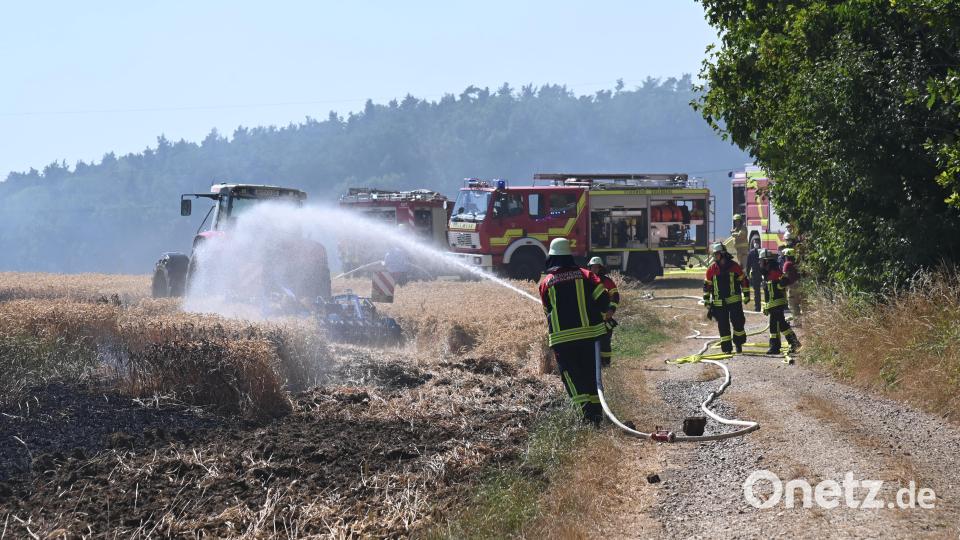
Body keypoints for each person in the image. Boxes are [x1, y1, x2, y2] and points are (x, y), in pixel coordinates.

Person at [539, 239, 610, 424]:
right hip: (590, 336)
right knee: (591, 376)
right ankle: (597, 417)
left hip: (562, 340)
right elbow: (604, 302)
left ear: (552, 258)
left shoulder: (546, 282)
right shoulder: (587, 275)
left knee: (572, 377)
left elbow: (547, 311)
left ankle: (585, 417)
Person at [703, 242, 750, 353]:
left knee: (738, 323)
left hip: (734, 301)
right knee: (723, 326)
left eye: (717, 254)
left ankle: (738, 344)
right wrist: (707, 300)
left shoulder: (734, 266)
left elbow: (743, 280)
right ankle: (727, 348)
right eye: (714, 255)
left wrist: (746, 294)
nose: (715, 257)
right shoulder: (712, 269)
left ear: (723, 254)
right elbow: (707, 286)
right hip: (719, 303)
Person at [759, 249, 801, 354]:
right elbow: (769, 294)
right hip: (773, 305)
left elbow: (784, 281)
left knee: (781, 325)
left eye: (761, 261)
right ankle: (776, 347)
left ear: (766, 261)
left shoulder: (775, 273)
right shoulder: (768, 274)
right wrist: (766, 307)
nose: (760, 263)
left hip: (777, 304)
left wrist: (780, 284)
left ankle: (793, 343)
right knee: (775, 326)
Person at [587, 256, 620, 367]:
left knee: (605, 342)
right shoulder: (585, 281)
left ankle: (606, 364)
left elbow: (615, 296)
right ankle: (594, 365)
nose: (595, 269)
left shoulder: (607, 281)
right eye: (593, 267)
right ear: (589, 267)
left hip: (605, 318)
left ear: (601, 268)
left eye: (597, 267)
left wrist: (612, 309)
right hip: (590, 318)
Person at [781, 247, 802, 326]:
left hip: (792, 287)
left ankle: (797, 323)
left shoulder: (787, 264)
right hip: (801, 285)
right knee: (802, 305)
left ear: (787, 256)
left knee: (793, 305)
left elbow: (784, 276)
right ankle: (806, 322)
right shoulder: (798, 263)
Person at [745, 237, 763, 312]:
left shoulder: (762, 252)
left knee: (766, 290)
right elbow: (748, 265)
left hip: (763, 273)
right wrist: (747, 274)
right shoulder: (751, 253)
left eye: (757, 242)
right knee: (757, 292)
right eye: (755, 242)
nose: (756, 244)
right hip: (755, 274)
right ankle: (757, 307)